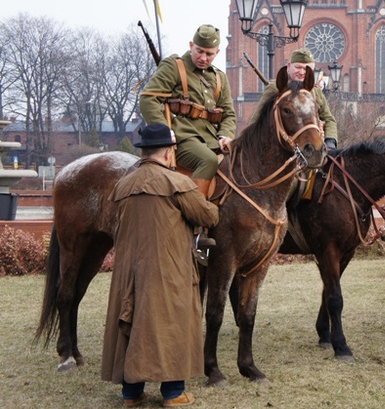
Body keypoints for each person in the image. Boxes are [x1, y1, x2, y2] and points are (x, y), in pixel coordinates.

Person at [101, 124, 219, 407]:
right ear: (168, 152)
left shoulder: (123, 185)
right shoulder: (176, 183)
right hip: (169, 269)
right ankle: (173, 392)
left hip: (129, 270)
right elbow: (208, 215)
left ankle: (131, 394)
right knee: (170, 323)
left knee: (133, 320)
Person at [139, 24, 237, 199]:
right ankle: (195, 211)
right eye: (199, 51)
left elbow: (228, 113)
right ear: (191, 45)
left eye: (209, 54)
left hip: (212, 139)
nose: (203, 58)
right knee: (208, 160)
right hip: (182, 137)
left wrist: (225, 135)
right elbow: (148, 99)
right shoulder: (174, 66)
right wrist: (164, 133)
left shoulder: (219, 77)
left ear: (217, 53)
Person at [249, 48, 338, 149]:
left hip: (308, 147)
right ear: (289, 66)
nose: (302, 72)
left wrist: (330, 141)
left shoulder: (315, 92)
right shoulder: (275, 88)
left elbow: (328, 119)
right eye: (298, 67)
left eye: (306, 69)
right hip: (280, 148)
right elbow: (257, 119)